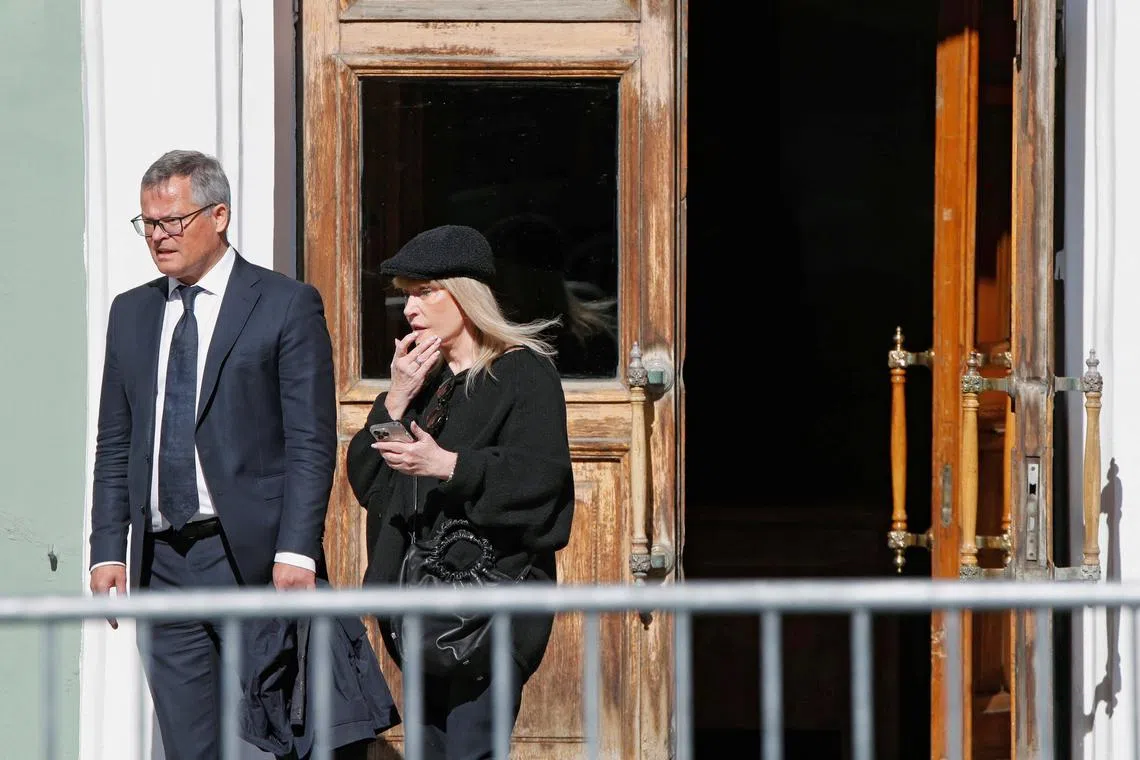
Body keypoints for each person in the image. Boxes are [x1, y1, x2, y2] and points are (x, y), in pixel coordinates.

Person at [87, 150, 338, 760]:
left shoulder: (283, 303)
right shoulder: (132, 311)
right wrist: (107, 549)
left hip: (251, 557)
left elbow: (310, 438)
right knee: (190, 745)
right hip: (162, 565)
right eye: (148, 224)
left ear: (218, 216)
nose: (158, 237)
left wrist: (297, 550)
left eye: (173, 221)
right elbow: (116, 439)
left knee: (280, 735)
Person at [345, 224, 575, 759]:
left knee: (473, 748)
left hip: (490, 609)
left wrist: (449, 466)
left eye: (425, 292)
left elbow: (541, 481)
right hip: (418, 606)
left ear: (465, 296)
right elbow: (369, 481)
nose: (410, 309)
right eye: (406, 295)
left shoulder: (523, 373)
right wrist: (395, 399)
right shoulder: (423, 382)